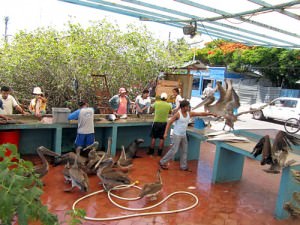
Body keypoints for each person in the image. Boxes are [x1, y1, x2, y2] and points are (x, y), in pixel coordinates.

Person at [159, 100, 216, 171]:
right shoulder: (178, 114)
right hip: (177, 135)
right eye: (187, 106)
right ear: (183, 107)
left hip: (183, 135)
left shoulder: (189, 113)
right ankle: (162, 162)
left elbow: (200, 113)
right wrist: (165, 133)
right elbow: (169, 122)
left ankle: (183, 166)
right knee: (174, 150)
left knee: (185, 150)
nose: (189, 107)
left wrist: (210, 114)